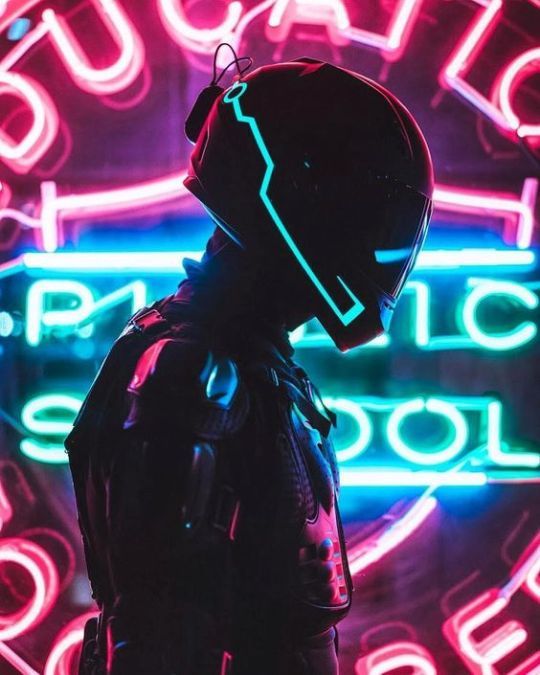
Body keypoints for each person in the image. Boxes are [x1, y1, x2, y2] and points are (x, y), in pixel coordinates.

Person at [66, 53, 434, 675]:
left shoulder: (244, 367)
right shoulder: (195, 373)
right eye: (368, 212)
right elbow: (159, 630)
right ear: (298, 193)